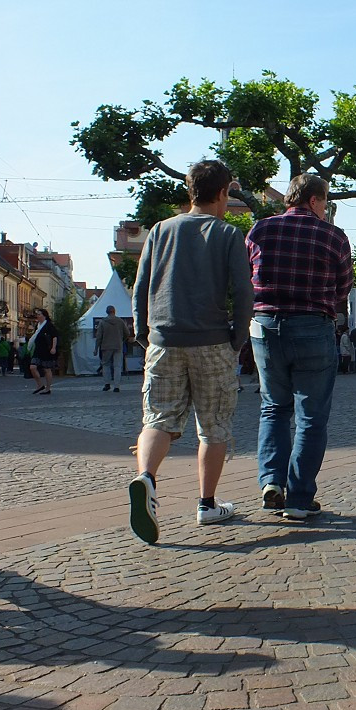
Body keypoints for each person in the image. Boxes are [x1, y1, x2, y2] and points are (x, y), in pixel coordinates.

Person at [129, 160, 253, 544]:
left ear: (190, 191)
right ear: (223, 193)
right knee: (213, 425)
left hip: (164, 340)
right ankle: (207, 504)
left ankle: (145, 478)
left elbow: (141, 285)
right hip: (212, 340)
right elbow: (243, 290)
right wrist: (238, 336)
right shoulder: (228, 234)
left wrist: (142, 331)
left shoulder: (160, 230)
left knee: (159, 418)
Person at [246, 173, 353, 520]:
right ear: (314, 200)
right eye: (326, 202)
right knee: (311, 417)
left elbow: (246, 276)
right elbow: (343, 289)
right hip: (312, 327)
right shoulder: (334, 236)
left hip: (265, 327)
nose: (326, 209)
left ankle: (271, 483)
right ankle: (299, 497)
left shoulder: (260, 230)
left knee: (273, 407)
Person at [95, 304, 131, 392]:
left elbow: (99, 336)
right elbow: (127, 333)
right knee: (117, 366)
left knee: (106, 365)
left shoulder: (103, 322)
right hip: (118, 346)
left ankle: (107, 384)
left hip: (106, 346)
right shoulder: (120, 321)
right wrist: (122, 339)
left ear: (106, 312)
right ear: (114, 311)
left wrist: (96, 348)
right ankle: (117, 386)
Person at [28, 308, 59, 395]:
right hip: (37, 350)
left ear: (44, 316)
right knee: (32, 367)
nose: (37, 316)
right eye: (37, 314)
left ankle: (48, 388)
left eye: (39, 314)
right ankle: (40, 384)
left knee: (47, 369)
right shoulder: (37, 326)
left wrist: (53, 347)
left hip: (46, 350)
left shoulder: (49, 325)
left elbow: (54, 336)